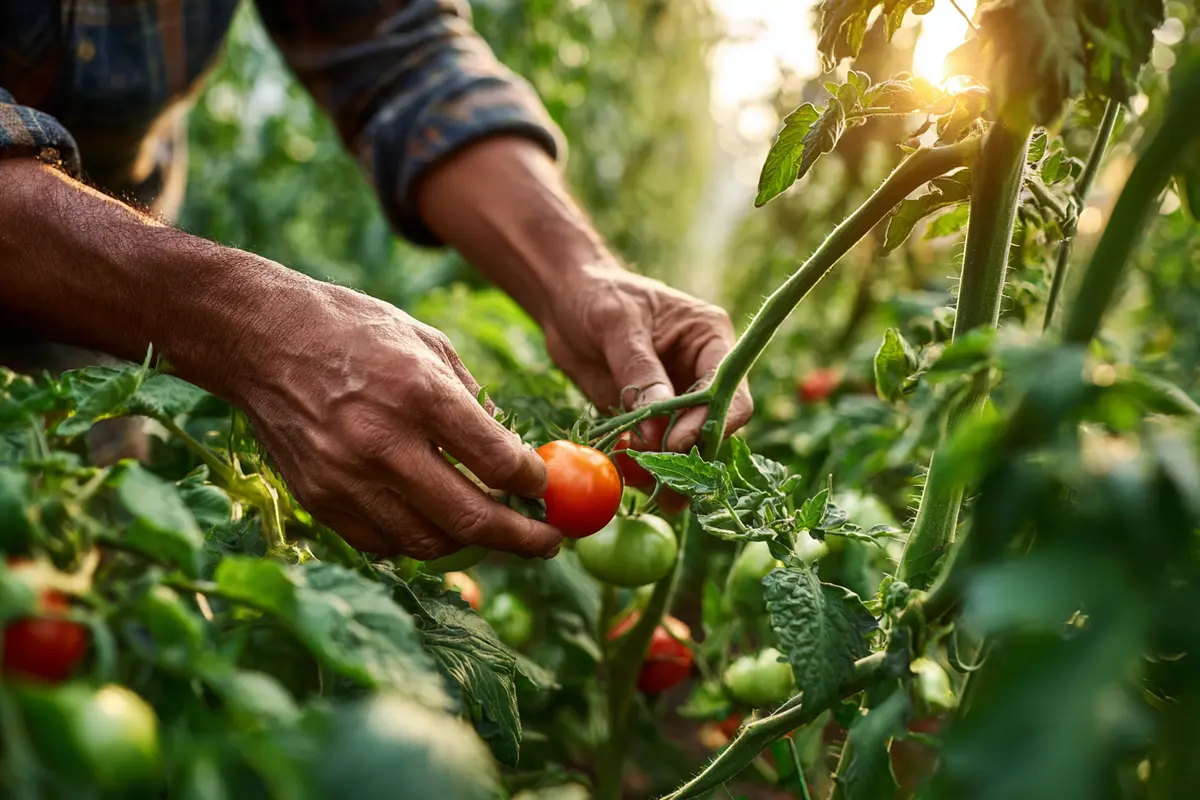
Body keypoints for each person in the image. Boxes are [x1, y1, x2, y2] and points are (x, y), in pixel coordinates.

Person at [0, 0, 752, 562]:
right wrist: (248, 325)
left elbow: (399, 52)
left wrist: (577, 273)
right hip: (131, 313)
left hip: (104, 350)